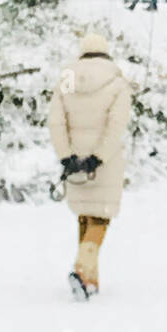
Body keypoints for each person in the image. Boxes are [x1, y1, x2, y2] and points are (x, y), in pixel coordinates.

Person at [48, 32, 132, 300]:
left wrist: (66, 156)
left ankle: (89, 280)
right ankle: (82, 269)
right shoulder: (117, 83)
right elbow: (116, 125)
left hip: (74, 159)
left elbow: (56, 122)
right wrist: (98, 156)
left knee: (85, 215)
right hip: (103, 162)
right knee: (101, 217)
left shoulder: (66, 80)